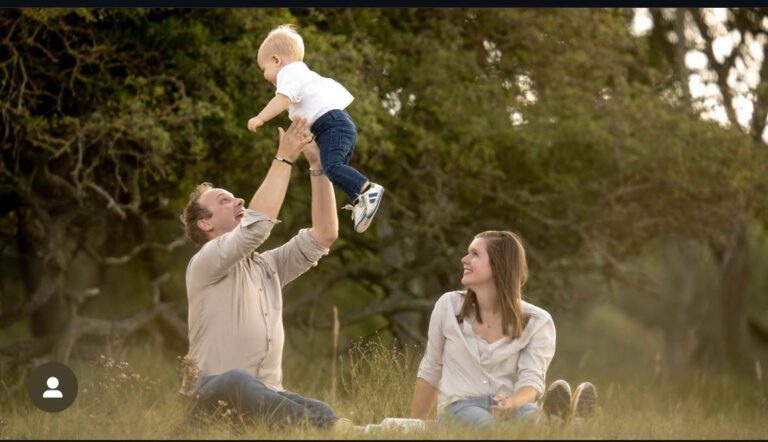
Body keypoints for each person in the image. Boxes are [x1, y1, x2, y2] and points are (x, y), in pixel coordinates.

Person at [178, 118, 348, 430]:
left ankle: (329, 427)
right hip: (214, 394)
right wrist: (284, 157)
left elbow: (324, 235)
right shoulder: (205, 262)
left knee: (321, 409)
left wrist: (318, 166)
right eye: (224, 201)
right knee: (237, 382)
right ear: (205, 224)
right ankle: (340, 431)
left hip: (267, 397)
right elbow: (256, 228)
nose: (238, 201)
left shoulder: (267, 267)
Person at [408, 230, 598, 427]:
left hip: (512, 407)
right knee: (486, 424)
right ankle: (559, 428)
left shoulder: (538, 321)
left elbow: (531, 382)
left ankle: (554, 424)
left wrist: (510, 403)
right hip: (459, 408)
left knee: (529, 416)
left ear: (499, 265)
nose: (464, 259)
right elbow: (431, 368)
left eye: (475, 254)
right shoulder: (448, 305)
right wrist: (413, 425)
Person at [246, 23, 384, 234]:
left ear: (276, 60)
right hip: (335, 125)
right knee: (333, 170)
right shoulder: (300, 74)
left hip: (333, 125)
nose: (266, 77)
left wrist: (260, 117)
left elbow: (282, 100)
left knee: (332, 167)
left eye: (264, 69)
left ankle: (367, 189)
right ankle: (359, 200)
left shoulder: (289, 72)